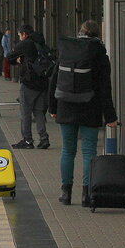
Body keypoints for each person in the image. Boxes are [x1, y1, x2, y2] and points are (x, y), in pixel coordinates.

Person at [48, 20, 119, 206]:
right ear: (98, 35)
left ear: (80, 32)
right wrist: (110, 116)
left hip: (65, 104)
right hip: (90, 107)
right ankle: (87, 194)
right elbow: (105, 88)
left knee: (67, 150)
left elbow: (54, 80)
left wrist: (52, 108)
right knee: (89, 151)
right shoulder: (100, 54)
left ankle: (66, 193)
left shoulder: (67, 50)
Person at [6, 24, 50, 149]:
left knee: (25, 112)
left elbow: (9, 57)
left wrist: (18, 60)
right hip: (42, 82)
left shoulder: (25, 43)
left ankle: (27, 140)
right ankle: (44, 138)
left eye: (20, 35)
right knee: (39, 112)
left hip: (29, 82)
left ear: (24, 34)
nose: (19, 37)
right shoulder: (41, 42)